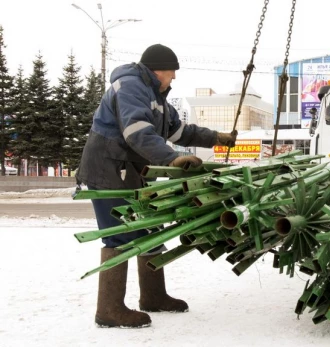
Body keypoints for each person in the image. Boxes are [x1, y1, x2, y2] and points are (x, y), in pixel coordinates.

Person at [75, 43, 237, 328]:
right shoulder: (130, 86)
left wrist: (217, 137)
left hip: (133, 171)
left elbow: (179, 131)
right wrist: (172, 159)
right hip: (109, 169)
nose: (173, 77)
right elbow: (137, 132)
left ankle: (153, 296)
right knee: (120, 235)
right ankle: (109, 309)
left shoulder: (157, 96)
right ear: (157, 69)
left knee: (151, 230)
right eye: (171, 72)